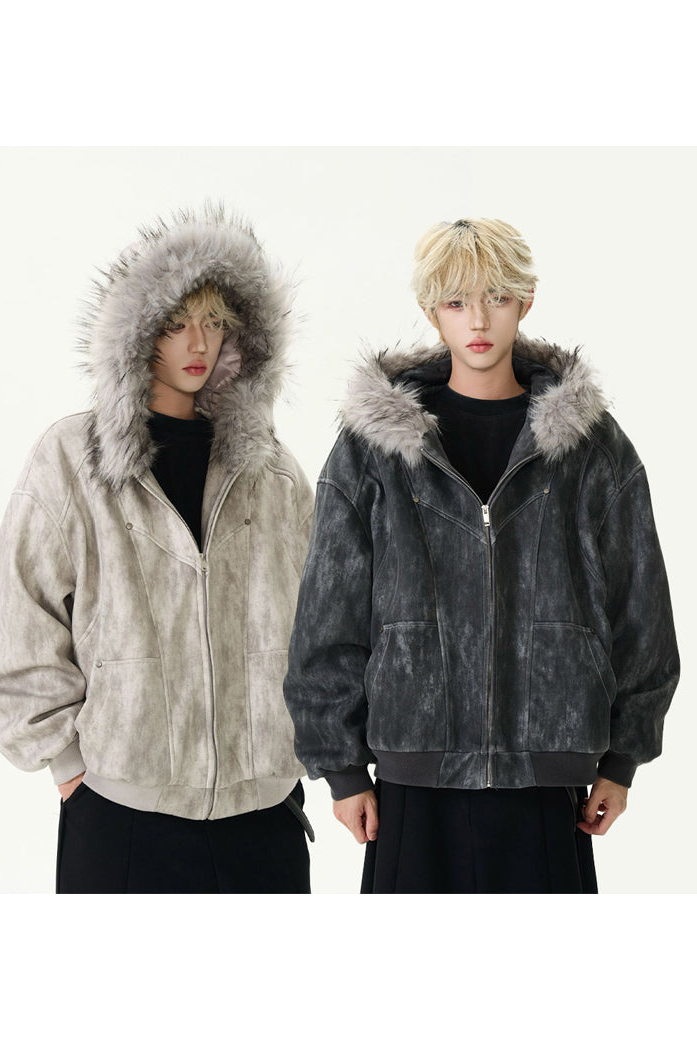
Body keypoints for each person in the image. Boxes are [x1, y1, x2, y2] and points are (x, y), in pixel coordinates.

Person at [284, 217, 679, 893]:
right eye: (456, 301)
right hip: (413, 778)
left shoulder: (592, 447)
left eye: (496, 297)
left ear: (526, 301)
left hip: (548, 777)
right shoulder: (373, 450)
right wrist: (342, 770)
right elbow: (328, 613)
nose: (477, 320)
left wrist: (622, 758)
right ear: (430, 311)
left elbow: (640, 607)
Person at [0, 206, 315, 893]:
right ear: (137, 334)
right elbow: (15, 623)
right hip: (121, 816)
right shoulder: (73, 459)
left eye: (215, 322)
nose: (199, 342)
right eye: (176, 323)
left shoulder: (271, 472)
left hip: (263, 816)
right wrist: (67, 764)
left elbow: (322, 622)